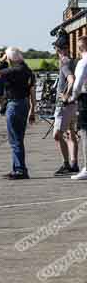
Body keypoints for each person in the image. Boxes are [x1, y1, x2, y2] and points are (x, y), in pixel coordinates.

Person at [0, 47, 36, 180]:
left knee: (15, 140)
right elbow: (32, 92)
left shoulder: (13, 70)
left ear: (10, 58)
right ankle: (18, 167)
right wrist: (33, 109)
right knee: (19, 138)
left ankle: (20, 170)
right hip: (25, 104)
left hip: (14, 104)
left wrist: (1, 61)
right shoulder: (27, 71)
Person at [52, 35, 79, 176]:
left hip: (65, 104)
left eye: (56, 48)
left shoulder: (64, 62)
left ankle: (66, 163)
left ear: (61, 49)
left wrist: (66, 95)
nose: (56, 51)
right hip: (74, 103)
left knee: (57, 135)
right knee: (71, 133)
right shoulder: (74, 61)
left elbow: (71, 79)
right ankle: (74, 163)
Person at [70, 36, 87, 180]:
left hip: (85, 99)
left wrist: (73, 97)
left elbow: (78, 83)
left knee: (85, 134)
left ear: (80, 48)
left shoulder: (83, 62)